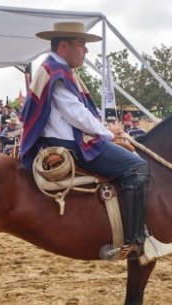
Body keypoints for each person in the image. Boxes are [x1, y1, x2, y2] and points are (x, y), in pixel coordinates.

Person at [19, 22, 149, 260]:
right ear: (64, 46)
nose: (86, 51)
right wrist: (109, 134)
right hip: (69, 145)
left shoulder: (53, 70)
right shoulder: (57, 74)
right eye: (82, 45)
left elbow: (77, 114)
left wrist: (105, 130)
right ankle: (134, 243)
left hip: (62, 140)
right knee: (137, 167)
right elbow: (75, 114)